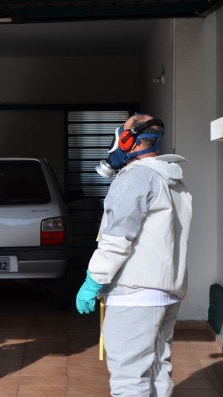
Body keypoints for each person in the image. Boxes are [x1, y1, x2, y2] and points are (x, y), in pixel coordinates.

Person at [76, 113, 193, 396]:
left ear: (129, 140)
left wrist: (94, 280)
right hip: (167, 292)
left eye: (119, 135)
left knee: (130, 378)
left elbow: (117, 239)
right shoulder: (171, 178)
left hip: (135, 295)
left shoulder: (135, 178)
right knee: (157, 370)